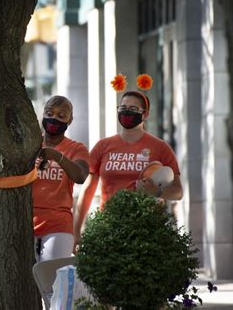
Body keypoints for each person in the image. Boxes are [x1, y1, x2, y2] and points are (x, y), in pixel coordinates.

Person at [73, 78, 183, 251]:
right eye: (123, 108)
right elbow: (88, 190)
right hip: (109, 225)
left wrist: (156, 191)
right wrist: (76, 231)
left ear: (145, 114)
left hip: (147, 227)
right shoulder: (103, 146)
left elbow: (178, 192)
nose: (127, 113)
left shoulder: (160, 147)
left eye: (133, 109)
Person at [33, 95, 89, 262]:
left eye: (61, 116)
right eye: (49, 113)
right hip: (25, 222)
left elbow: (80, 176)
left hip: (58, 225)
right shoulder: (30, 145)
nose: (53, 119)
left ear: (69, 120)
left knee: (52, 280)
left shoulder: (76, 148)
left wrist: (58, 157)